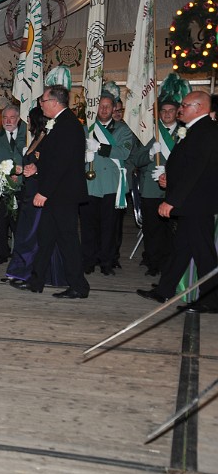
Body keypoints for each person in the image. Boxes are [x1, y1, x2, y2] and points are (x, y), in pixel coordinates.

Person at [137, 91, 218, 310]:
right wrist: (169, 177)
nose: (180, 109)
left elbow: (195, 171)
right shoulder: (195, 130)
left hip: (196, 204)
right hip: (191, 203)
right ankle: (164, 290)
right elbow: (185, 165)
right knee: (181, 248)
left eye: (184, 105)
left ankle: (212, 300)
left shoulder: (206, 131)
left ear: (199, 108)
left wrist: (172, 200)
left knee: (204, 252)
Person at [11, 85, 89, 299]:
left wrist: (43, 192)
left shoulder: (67, 125)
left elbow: (61, 163)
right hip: (56, 193)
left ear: (54, 102)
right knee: (45, 237)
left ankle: (79, 286)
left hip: (62, 194)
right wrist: (36, 168)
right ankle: (36, 281)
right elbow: (51, 158)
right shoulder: (59, 123)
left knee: (68, 240)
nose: (41, 105)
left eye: (43, 101)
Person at [5, 106, 66, 286]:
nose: (28, 123)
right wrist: (20, 169)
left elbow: (50, 167)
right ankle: (21, 270)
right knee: (25, 233)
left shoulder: (47, 139)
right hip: (29, 191)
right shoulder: (37, 138)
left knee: (32, 235)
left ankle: (29, 272)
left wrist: (36, 171)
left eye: (29, 119)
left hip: (39, 193)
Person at [127, 98, 181, 277]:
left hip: (176, 188)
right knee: (151, 229)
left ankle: (170, 263)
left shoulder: (185, 133)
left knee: (172, 230)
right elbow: (136, 159)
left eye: (171, 110)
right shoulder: (149, 133)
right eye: (163, 110)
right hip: (151, 188)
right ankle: (153, 262)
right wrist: (150, 154)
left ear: (177, 112)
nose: (167, 114)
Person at [81, 91, 133, 276]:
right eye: (100, 106)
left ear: (114, 109)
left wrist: (100, 147)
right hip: (90, 183)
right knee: (88, 225)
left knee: (109, 226)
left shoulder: (123, 130)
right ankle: (88, 260)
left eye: (108, 106)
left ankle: (107, 262)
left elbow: (124, 152)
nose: (103, 109)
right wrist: (84, 156)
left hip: (112, 184)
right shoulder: (86, 129)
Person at [0, 105, 26, 264]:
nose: (8, 121)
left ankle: (20, 254)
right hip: (3, 187)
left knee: (19, 224)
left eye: (12, 118)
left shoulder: (26, 137)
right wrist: (4, 174)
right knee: (2, 222)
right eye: (5, 118)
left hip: (21, 186)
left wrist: (20, 174)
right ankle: (1, 254)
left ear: (18, 119)